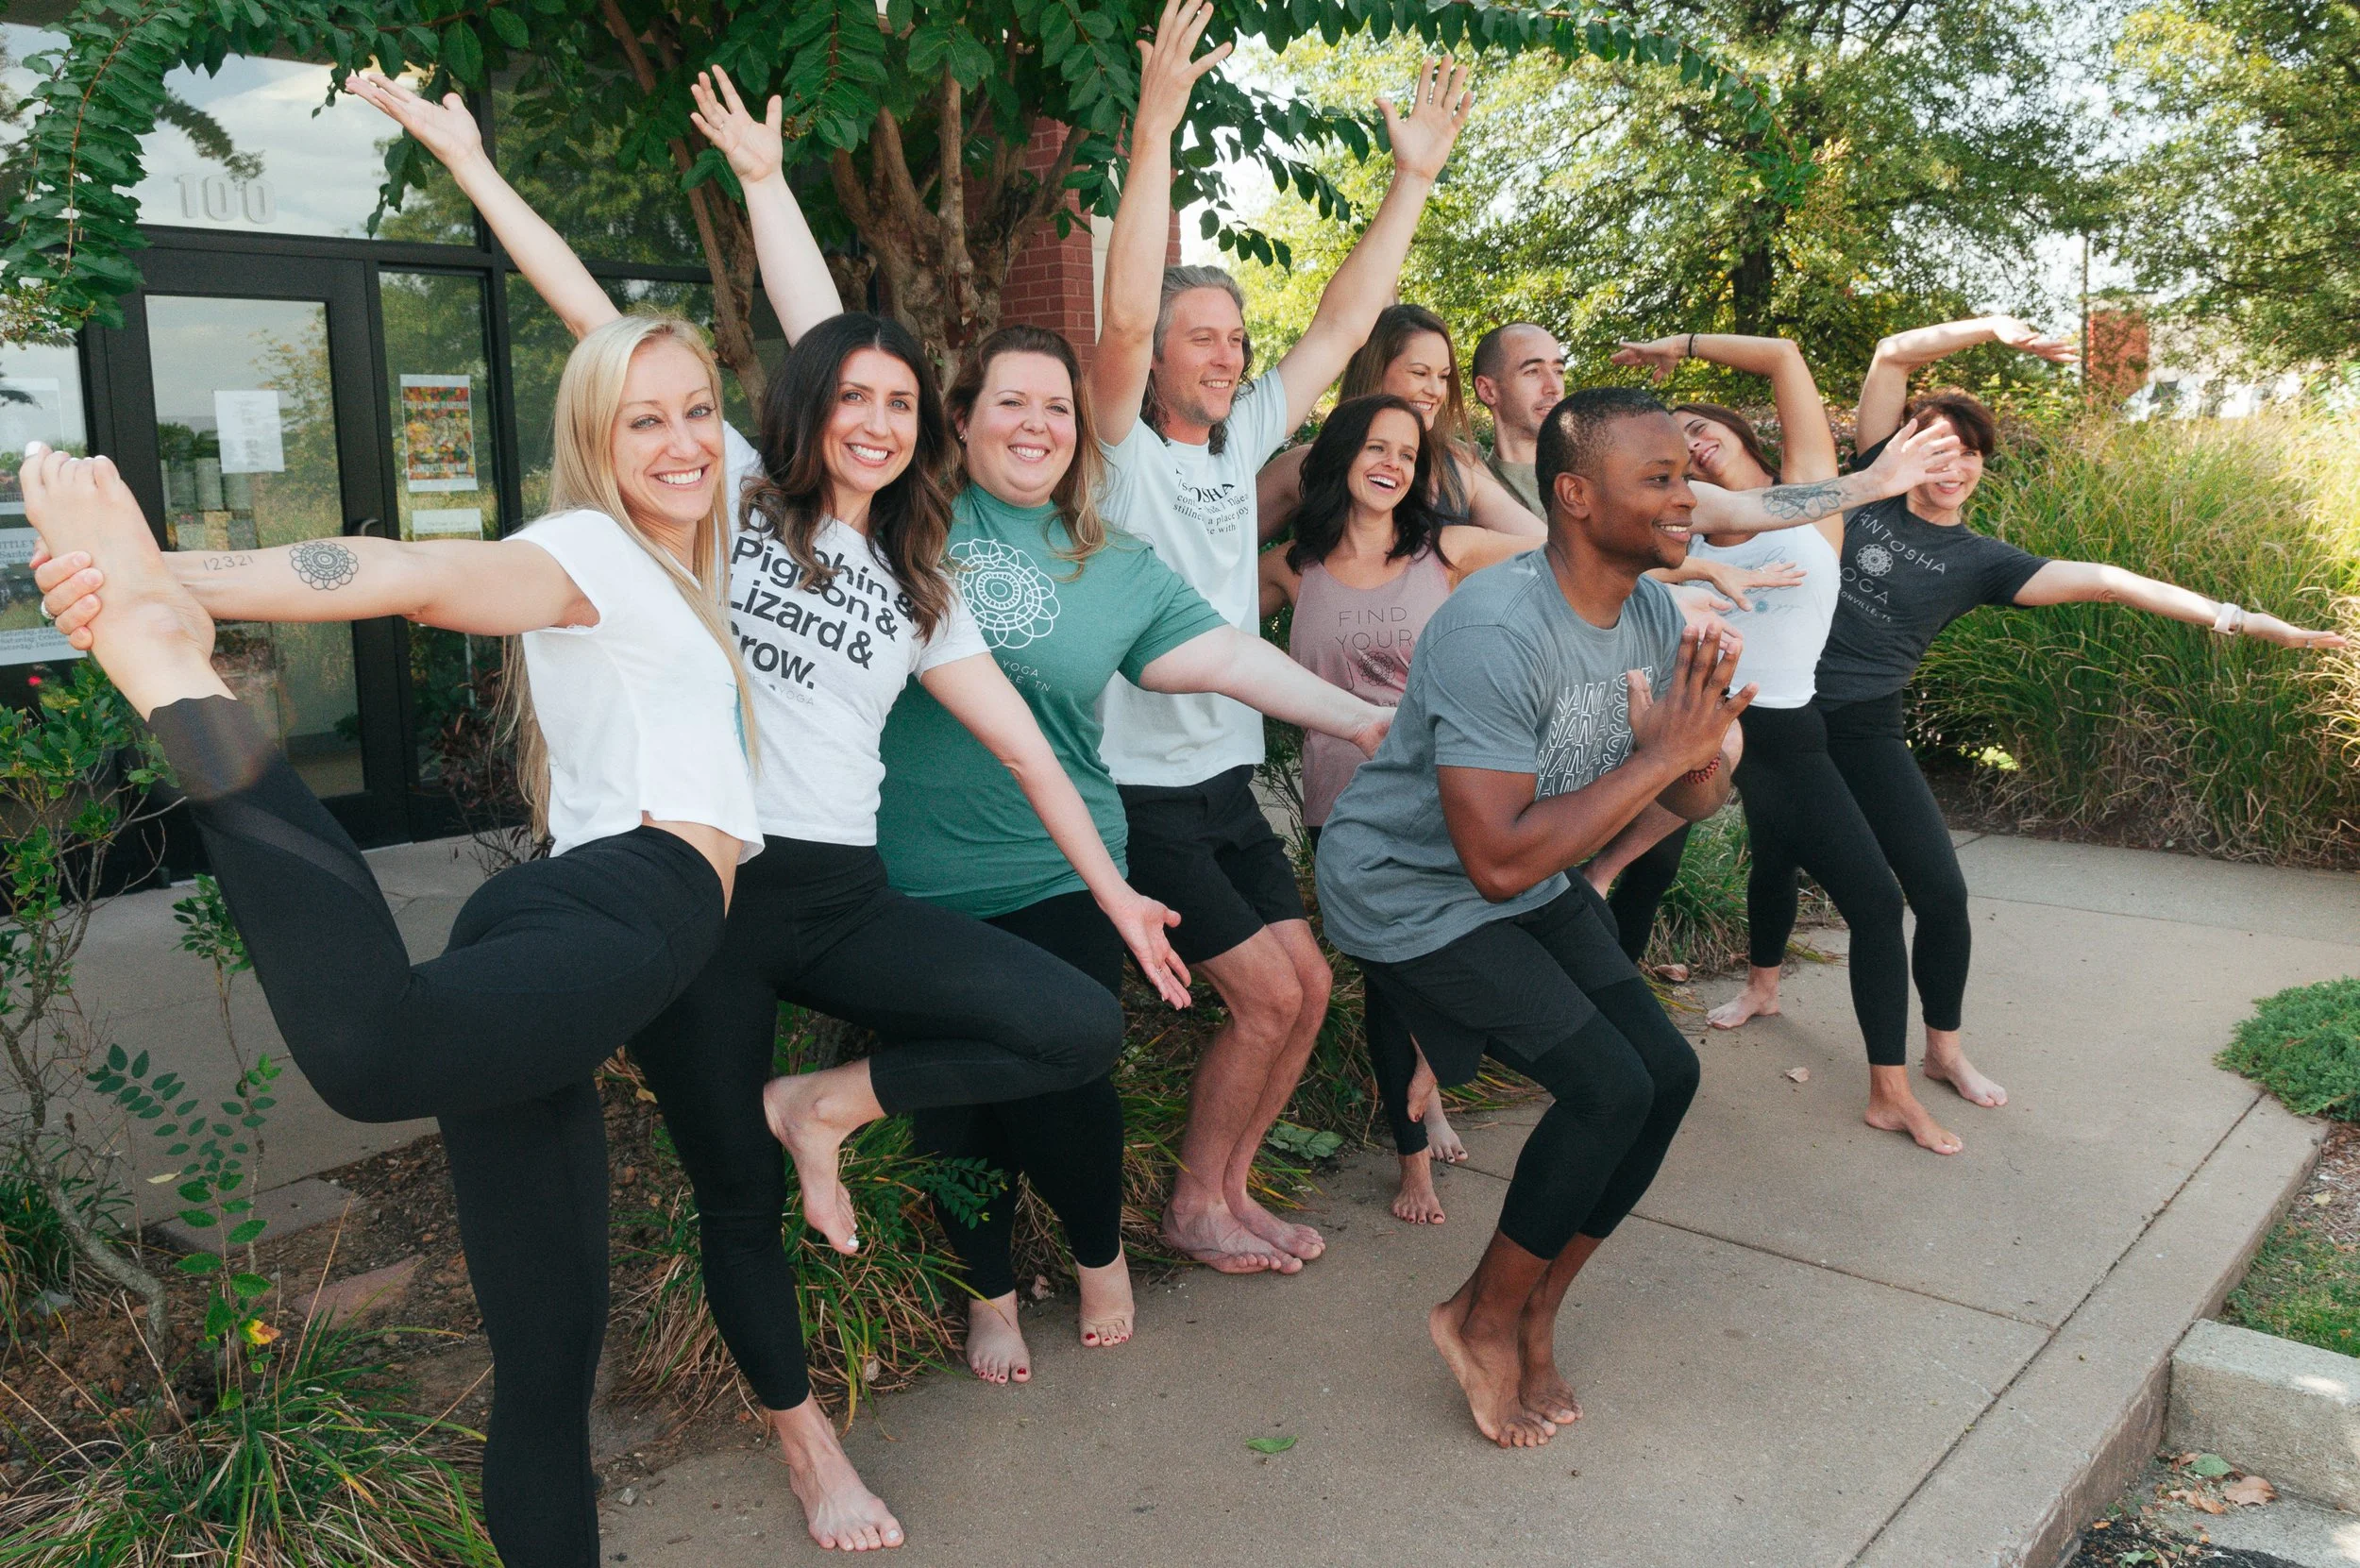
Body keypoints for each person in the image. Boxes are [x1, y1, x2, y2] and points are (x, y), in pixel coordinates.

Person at [340, 67, 1189, 1555]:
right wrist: (480, 161)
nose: (873, 419)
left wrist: (1113, 894)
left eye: (899, 403)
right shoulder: (728, 493)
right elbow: (595, 318)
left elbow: (1037, 757)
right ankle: (809, 1449)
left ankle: (829, 1107)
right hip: (707, 895)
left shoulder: (922, 587)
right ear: (813, 409)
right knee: (733, 1193)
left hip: (846, 892)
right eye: (850, 396)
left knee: (1073, 1022)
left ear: (926, 428)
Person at [25, 308, 761, 1568]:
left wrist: (154, 571)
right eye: (645, 417)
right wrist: (158, 593)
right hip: (638, 893)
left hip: (557, 912)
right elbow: (409, 575)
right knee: (373, 1053)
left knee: (546, 1357)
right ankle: (180, 690)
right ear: (595, 439)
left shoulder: (690, 554)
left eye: (699, 408)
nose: (686, 438)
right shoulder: (590, 547)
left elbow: (604, 316)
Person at [874, 318, 1391, 1385]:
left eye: (1058, 406)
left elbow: (1236, 661)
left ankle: (1099, 1252)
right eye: (1009, 401)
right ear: (959, 421)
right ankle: (991, 1291)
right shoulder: (909, 518)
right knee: (951, 1104)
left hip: (1064, 864)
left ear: (1082, 434)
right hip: (912, 876)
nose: (1036, 423)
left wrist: (1365, 720)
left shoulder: (1115, 563)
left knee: (1069, 1077)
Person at [1715, 315, 2348, 1151]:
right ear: (1907, 448)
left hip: (1868, 725)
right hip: (1784, 708)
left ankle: (1942, 1050)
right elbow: (1892, 355)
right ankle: (1764, 986)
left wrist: (2241, 618)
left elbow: (2113, 582)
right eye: (1937, 445)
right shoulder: (1865, 477)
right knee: (1778, 849)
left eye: (1971, 451)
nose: (1954, 461)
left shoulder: (1985, 561)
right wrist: (1995, 333)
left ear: (1981, 469)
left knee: (1940, 891)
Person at [1083, 21, 1475, 1273]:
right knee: (1262, 994)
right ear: (1154, 357)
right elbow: (1126, 305)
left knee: (1306, 989)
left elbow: (1345, 317)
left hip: (1224, 777)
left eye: (1237, 338)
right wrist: (1156, 125)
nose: (1227, 352)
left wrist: (1411, 177)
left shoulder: (1240, 444)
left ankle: (1228, 1190)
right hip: (1142, 792)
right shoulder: (1117, 453)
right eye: (1202, 335)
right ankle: (1197, 1205)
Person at [1312, 386, 1750, 1448]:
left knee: (1665, 1075)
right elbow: (1495, 860)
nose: (1685, 497)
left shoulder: (1647, 610)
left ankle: (1539, 1301)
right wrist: (1657, 755)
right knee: (1604, 1084)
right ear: (1574, 495)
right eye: (1659, 479)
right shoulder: (1496, 628)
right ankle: (1478, 1314)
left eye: (1684, 476)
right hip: (1409, 888)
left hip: (1523, 871)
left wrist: (1701, 751)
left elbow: (1687, 794)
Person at [1259, 392, 1542, 1223]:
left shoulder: (1444, 548)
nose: (1391, 464)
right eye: (1376, 447)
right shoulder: (1290, 565)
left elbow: (1563, 554)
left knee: (1445, 957)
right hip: (1339, 807)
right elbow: (1193, 629)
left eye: (1407, 455)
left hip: (1438, 796)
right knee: (1386, 979)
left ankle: (1432, 1080)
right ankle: (1412, 1154)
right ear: (1343, 455)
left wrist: (1692, 565)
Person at [1578, 332, 1839, 974]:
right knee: (1651, 863)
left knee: (1802, 862)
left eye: (1695, 425)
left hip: (1781, 714)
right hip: (1693, 706)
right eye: (1676, 453)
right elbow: (1615, 575)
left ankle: (1759, 985)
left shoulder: (1806, 496)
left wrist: (1684, 345)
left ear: (1738, 430)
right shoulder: (1681, 518)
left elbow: (1785, 356)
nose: (1691, 444)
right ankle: (1615, 994)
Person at [1256, 303, 1546, 540]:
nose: (1435, 391)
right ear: (1376, 371)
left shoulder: (1456, 462)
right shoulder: (1306, 464)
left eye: (1443, 377)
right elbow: (1221, 549)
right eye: (1420, 373)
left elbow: (1541, 546)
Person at [1469, 321, 1565, 515]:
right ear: (1488, 391)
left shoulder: (1593, 477)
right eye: (1532, 372)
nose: (1553, 386)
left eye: (1559, 371)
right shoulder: (1469, 477)